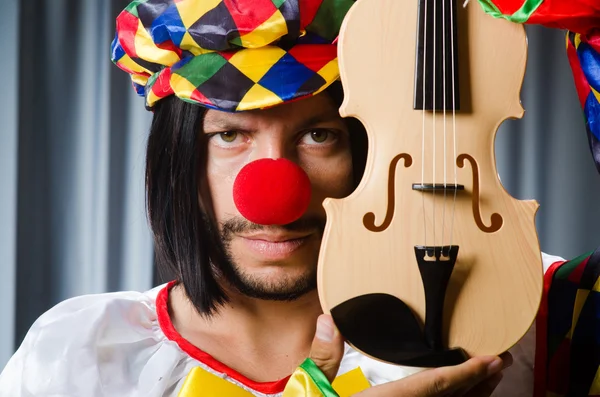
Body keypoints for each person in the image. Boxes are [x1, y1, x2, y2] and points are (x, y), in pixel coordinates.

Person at [0, 0, 597, 396]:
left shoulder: (521, 309)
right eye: (230, 135)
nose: (276, 192)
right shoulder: (79, 357)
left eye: (319, 135)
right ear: (179, 160)